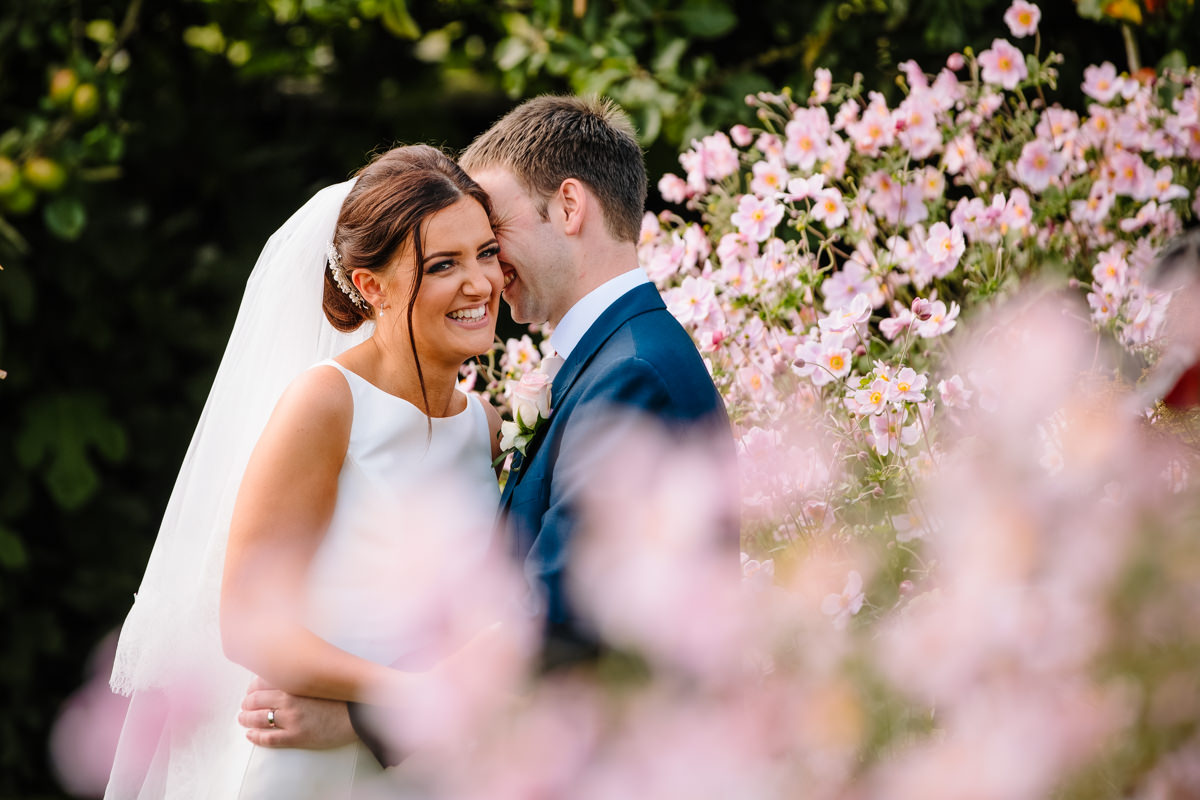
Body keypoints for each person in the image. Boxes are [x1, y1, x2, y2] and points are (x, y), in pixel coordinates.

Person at [239, 95, 737, 765]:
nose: (488, 273)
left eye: (491, 237)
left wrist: (368, 718)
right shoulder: (598, 367)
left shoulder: (632, 372)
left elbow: (561, 626)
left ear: (568, 207)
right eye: (448, 260)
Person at [105, 145, 507, 798]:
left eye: (486, 252)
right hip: (314, 770)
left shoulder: (483, 425)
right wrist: (409, 695)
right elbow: (250, 624)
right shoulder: (327, 403)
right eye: (443, 265)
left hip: (429, 767)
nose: (480, 284)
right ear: (371, 286)